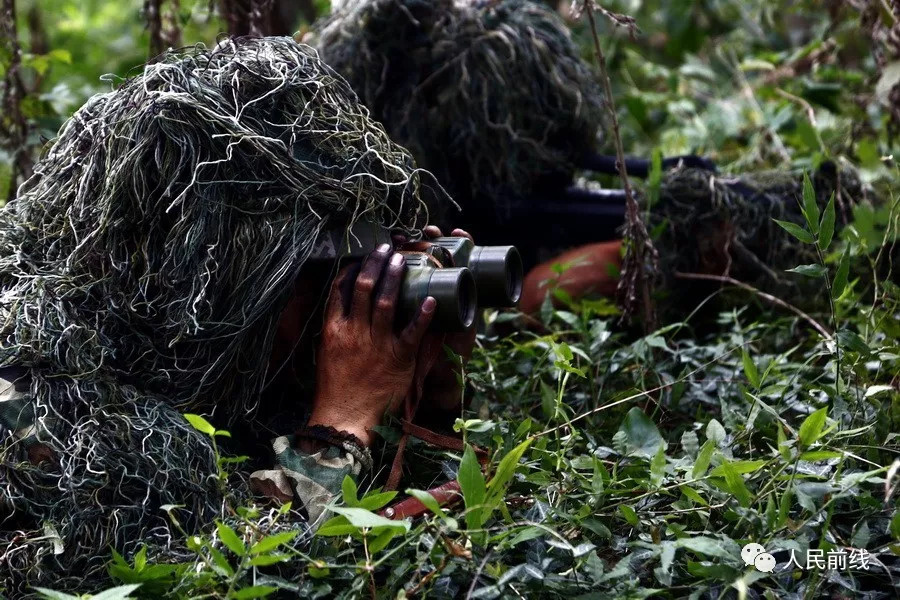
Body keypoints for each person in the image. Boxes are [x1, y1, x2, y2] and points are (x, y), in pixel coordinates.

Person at [0, 36, 473, 593]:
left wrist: (434, 395)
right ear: (207, 281)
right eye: (316, 279)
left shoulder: (198, 359)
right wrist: (341, 425)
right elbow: (228, 575)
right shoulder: (35, 391)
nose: (341, 307)